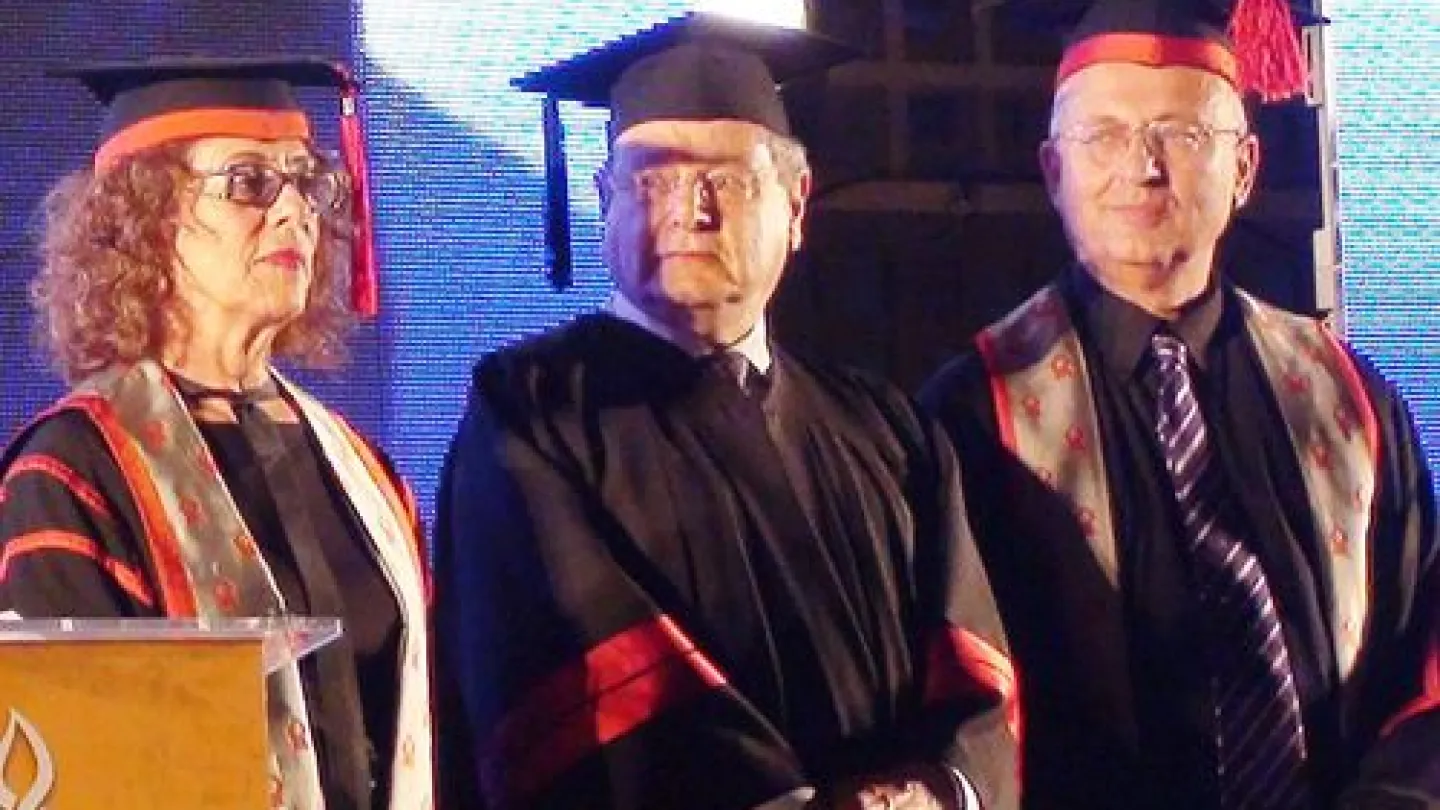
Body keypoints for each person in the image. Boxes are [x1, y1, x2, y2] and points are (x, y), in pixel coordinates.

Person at [433, 15, 1019, 810]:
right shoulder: (532, 416)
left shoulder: (885, 429)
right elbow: (567, 682)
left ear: (798, 202)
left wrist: (941, 787)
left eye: (729, 181)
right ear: (605, 199)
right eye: (651, 180)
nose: (690, 211)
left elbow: (970, 656)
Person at [919, 0, 1439, 807]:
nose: (1143, 167)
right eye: (1104, 136)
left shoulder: (1353, 402)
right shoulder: (971, 417)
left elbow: (1425, 653)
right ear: (1053, 172)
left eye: (1183, 135)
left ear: (1244, 171)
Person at [0, 57, 433, 810]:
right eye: (250, 183)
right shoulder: (73, 471)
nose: (297, 211)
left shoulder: (360, 471)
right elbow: (75, 767)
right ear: (146, 220)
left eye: (307, 180)